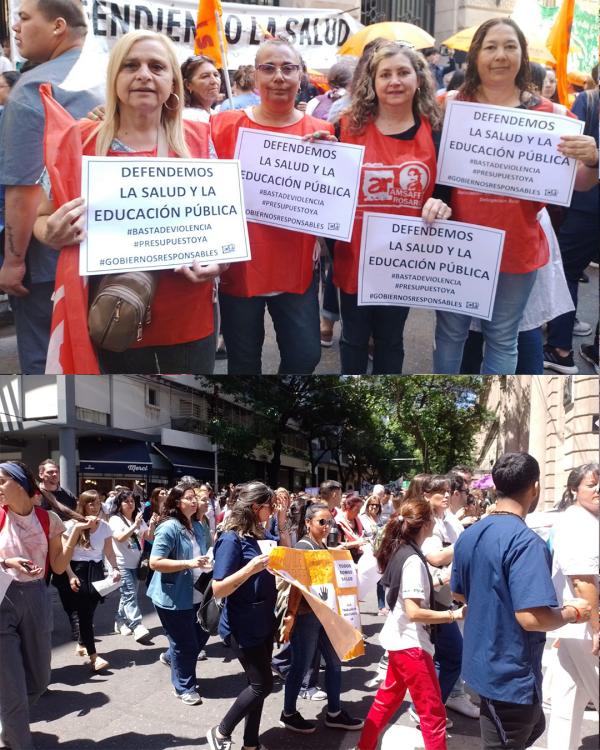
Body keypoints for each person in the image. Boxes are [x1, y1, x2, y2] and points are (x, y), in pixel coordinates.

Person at [32, 30, 227, 374]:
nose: (143, 75)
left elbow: (223, 223)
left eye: (157, 66)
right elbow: (42, 220)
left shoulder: (199, 139)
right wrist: (53, 232)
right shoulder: (79, 141)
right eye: (130, 65)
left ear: (172, 82)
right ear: (115, 78)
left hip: (188, 319)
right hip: (109, 319)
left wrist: (220, 263)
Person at [433, 18, 594, 375]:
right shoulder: (448, 104)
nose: (500, 56)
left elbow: (580, 184)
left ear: (522, 55)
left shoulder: (553, 115)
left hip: (517, 247)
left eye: (510, 46)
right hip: (457, 243)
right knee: (450, 334)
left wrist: (594, 159)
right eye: (490, 47)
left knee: (503, 336)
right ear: (476, 55)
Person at [451, 452, 592, 750]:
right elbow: (532, 618)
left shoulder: (469, 534)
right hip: (509, 675)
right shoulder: (526, 543)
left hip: (485, 665)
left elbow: (459, 594)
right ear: (535, 488)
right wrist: (572, 611)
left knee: (533, 725)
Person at [211, 38, 334, 374]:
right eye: (268, 68)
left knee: (304, 357)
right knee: (243, 362)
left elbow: (332, 204)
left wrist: (336, 164)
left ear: (302, 76)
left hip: (295, 271)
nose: (279, 76)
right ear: (255, 76)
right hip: (241, 270)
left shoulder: (322, 132)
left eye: (288, 68)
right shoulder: (223, 125)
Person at [333, 41, 451, 373]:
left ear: (418, 79)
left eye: (403, 72)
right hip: (354, 256)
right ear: (372, 82)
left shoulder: (437, 130)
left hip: (403, 261)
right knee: (354, 339)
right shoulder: (345, 127)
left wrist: (441, 204)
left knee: (390, 341)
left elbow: (445, 193)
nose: (394, 81)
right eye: (385, 74)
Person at [0, 0, 104, 374]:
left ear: (58, 26)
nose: (15, 29)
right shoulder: (115, 77)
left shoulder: (33, 89)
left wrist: (13, 262)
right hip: (111, 258)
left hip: (48, 265)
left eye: (24, 19)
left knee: (47, 362)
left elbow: (22, 190)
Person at [354, 499, 467, 750]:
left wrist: (437, 582)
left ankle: (365, 746)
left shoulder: (401, 551)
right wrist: (454, 615)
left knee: (387, 700)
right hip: (411, 644)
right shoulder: (412, 558)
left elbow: (408, 599)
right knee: (433, 714)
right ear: (426, 524)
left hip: (401, 640)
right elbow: (414, 611)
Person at [0, 460, 96, 750]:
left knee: (40, 681)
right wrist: (7, 562)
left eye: (2, 481)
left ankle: (8, 716)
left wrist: (75, 534)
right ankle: (16, 733)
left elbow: (56, 565)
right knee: (14, 693)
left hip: (37, 598)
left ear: (19, 483)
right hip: (2, 598)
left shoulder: (48, 520)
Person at [207, 481, 281, 750]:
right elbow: (219, 588)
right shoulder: (231, 539)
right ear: (254, 506)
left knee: (257, 684)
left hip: (263, 619)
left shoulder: (259, 535)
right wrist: (250, 569)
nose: (272, 511)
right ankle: (221, 731)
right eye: (269, 506)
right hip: (243, 624)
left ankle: (250, 742)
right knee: (262, 684)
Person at [280, 502, 364, 733]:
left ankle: (334, 713)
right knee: (301, 665)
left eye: (330, 522)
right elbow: (295, 587)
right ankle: (288, 713)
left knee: (335, 662)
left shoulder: (321, 546)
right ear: (308, 523)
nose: (327, 526)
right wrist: (291, 615)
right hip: (307, 617)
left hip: (325, 616)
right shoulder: (303, 547)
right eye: (322, 522)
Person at [547, 463, 599, 749]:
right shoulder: (578, 522)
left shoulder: (584, 519)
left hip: (574, 628)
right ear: (573, 490)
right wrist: (597, 628)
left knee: (568, 700)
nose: (598, 490)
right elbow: (582, 581)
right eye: (592, 485)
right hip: (585, 627)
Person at [147, 482, 212, 705]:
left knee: (201, 634)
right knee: (185, 644)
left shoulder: (199, 526)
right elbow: (154, 562)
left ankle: (170, 656)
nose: (195, 500)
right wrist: (188, 563)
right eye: (189, 497)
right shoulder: (169, 527)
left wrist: (207, 561)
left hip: (198, 592)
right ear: (177, 502)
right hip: (173, 596)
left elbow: (202, 554)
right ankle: (184, 687)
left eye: (196, 497)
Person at [64, 489, 121, 671]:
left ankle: (82, 642)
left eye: (97, 503)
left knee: (90, 610)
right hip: (78, 570)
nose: (94, 507)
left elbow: (109, 552)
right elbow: (63, 555)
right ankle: (94, 657)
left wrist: (115, 569)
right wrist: (70, 574)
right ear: (82, 505)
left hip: (96, 571)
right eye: (90, 503)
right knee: (85, 614)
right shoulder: (72, 525)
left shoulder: (104, 526)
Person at [109, 488, 153, 641]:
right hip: (122, 563)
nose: (130, 504)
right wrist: (135, 526)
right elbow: (120, 538)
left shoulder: (137, 519)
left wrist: (152, 524)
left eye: (132, 501)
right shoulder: (115, 519)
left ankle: (119, 621)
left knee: (129, 594)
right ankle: (137, 625)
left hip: (137, 563)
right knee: (129, 594)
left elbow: (149, 536)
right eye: (126, 501)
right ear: (119, 504)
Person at [181, 54, 222, 122]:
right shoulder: (186, 118)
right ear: (188, 84)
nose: (214, 81)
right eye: (205, 76)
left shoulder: (216, 115)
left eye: (216, 75)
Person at [336, 494, 367, 562]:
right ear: (348, 507)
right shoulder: (338, 523)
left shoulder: (358, 520)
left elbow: (362, 536)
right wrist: (356, 543)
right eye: (357, 508)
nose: (359, 511)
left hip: (358, 557)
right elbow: (337, 546)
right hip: (344, 560)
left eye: (360, 508)